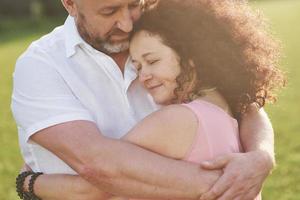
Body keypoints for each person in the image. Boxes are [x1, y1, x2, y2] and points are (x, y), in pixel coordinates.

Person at [12, 0, 282, 199]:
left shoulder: (158, 32)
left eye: (134, 4)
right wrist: (230, 185)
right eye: (109, 11)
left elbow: (243, 103)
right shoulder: (41, 65)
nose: (128, 23)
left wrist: (262, 156)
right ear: (70, 4)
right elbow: (100, 166)